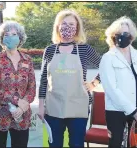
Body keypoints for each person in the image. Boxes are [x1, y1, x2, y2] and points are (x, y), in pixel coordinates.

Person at [38, 9, 102, 147]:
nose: (68, 28)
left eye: (72, 25)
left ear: (77, 28)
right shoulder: (49, 50)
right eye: (64, 24)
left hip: (78, 107)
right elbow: (43, 80)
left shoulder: (84, 49)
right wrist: (41, 106)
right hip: (53, 107)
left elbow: (105, 66)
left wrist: (93, 83)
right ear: (58, 27)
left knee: (76, 144)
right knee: (54, 144)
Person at [99, 16, 137, 148]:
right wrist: (133, 111)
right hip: (116, 111)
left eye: (126, 33)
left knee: (135, 144)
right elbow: (111, 88)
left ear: (131, 36)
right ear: (112, 36)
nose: (122, 36)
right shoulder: (108, 58)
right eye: (118, 34)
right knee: (116, 143)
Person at [0, 21, 36, 148]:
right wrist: (16, 100)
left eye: (14, 34)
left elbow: (32, 88)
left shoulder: (27, 60)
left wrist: (22, 107)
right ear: (2, 39)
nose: (10, 37)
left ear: (20, 38)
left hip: (21, 115)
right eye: (6, 34)